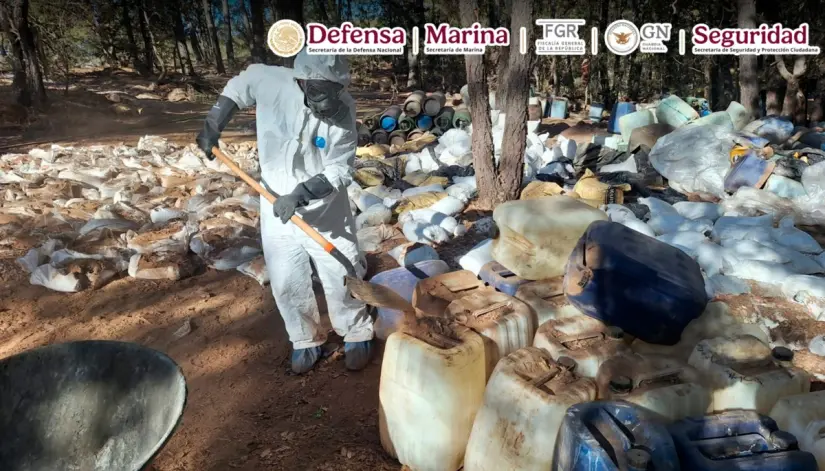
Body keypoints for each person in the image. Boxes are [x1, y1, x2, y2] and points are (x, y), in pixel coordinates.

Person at [196, 50, 374, 374]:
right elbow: (240, 86)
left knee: (339, 269)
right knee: (285, 276)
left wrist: (301, 194)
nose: (327, 101)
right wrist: (213, 123)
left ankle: (356, 330)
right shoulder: (270, 82)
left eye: (333, 91)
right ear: (302, 81)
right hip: (273, 199)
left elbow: (340, 169)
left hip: (324, 208)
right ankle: (305, 338)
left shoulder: (343, 110)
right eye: (319, 91)